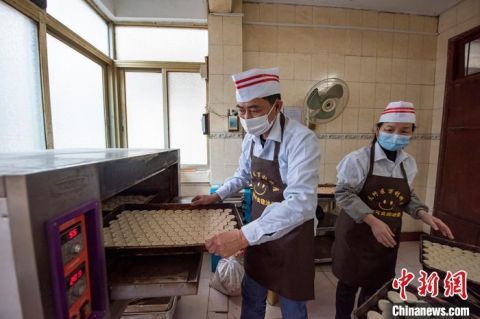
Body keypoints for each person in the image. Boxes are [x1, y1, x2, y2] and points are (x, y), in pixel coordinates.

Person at [192, 67, 320, 319]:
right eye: (241, 110)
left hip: (292, 237)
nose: (246, 116)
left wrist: (242, 236)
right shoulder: (251, 138)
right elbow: (242, 175)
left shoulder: (301, 140)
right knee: (252, 294)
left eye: (255, 109)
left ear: (277, 105)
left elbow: (301, 203)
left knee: (292, 305)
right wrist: (217, 196)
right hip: (260, 232)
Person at [332, 101, 454, 319]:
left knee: (375, 286)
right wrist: (373, 221)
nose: (396, 135)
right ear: (377, 130)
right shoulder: (358, 159)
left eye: (404, 131)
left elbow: (407, 197)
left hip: (385, 238)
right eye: (389, 130)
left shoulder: (408, 163)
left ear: (411, 134)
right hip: (356, 236)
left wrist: (425, 215)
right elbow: (344, 194)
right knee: (348, 285)